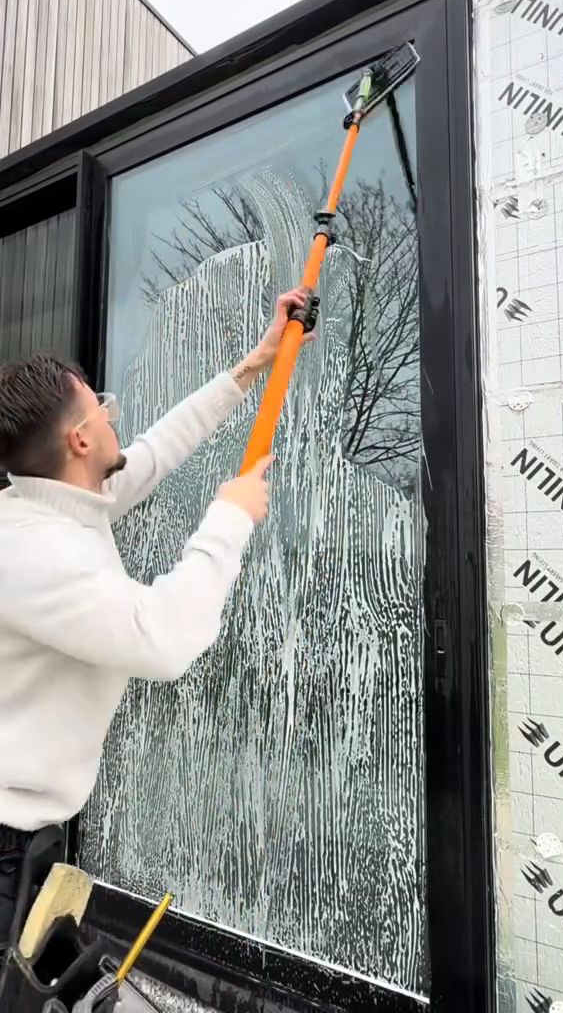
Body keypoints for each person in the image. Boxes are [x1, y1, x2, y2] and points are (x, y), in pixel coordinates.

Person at [0, 287, 310, 951]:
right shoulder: (29, 551)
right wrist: (230, 517)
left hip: (26, 835)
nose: (117, 418)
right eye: (103, 409)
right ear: (79, 439)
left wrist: (251, 367)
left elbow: (156, 450)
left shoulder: (63, 503)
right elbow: (161, 640)